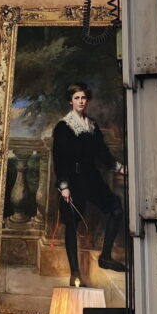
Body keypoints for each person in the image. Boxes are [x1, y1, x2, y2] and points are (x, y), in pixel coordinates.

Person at [52, 82, 127, 287]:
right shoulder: (63, 127)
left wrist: (118, 167)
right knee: (72, 224)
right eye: (76, 98)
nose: (81, 101)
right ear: (70, 101)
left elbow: (102, 152)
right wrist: (64, 185)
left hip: (91, 177)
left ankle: (105, 257)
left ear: (87, 100)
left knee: (116, 208)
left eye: (83, 97)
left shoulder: (92, 125)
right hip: (72, 180)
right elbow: (60, 158)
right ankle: (75, 272)